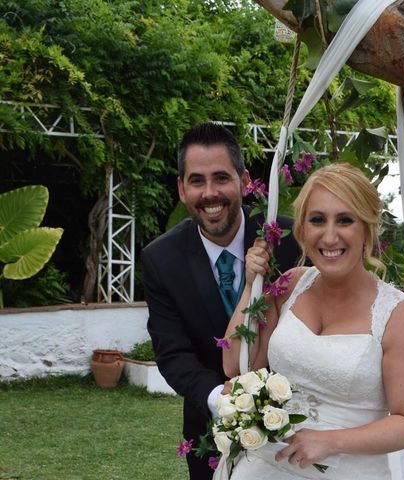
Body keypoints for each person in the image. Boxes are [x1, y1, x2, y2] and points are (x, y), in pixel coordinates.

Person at [222, 163, 404, 479]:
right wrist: (251, 286)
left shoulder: (397, 316)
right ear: (303, 230)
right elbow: (234, 363)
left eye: (345, 220)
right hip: (265, 466)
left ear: (366, 228)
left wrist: (330, 441)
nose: (330, 235)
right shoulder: (291, 285)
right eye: (318, 220)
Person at [142, 122, 300, 480]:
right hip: (212, 434)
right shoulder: (160, 260)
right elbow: (172, 353)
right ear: (182, 189)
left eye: (221, 178)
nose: (210, 193)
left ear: (244, 181)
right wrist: (223, 400)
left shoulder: (291, 239)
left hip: (300, 429)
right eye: (197, 181)